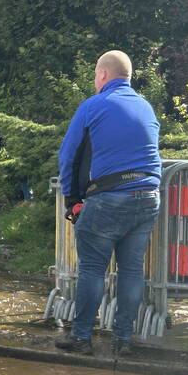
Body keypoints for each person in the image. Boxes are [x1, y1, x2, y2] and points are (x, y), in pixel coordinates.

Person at [55, 50, 161, 356]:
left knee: (92, 269)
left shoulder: (94, 105)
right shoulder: (146, 106)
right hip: (148, 197)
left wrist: (73, 200)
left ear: (103, 74)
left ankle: (82, 337)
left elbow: (69, 156)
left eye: (95, 74)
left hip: (109, 197)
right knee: (131, 271)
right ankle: (123, 339)